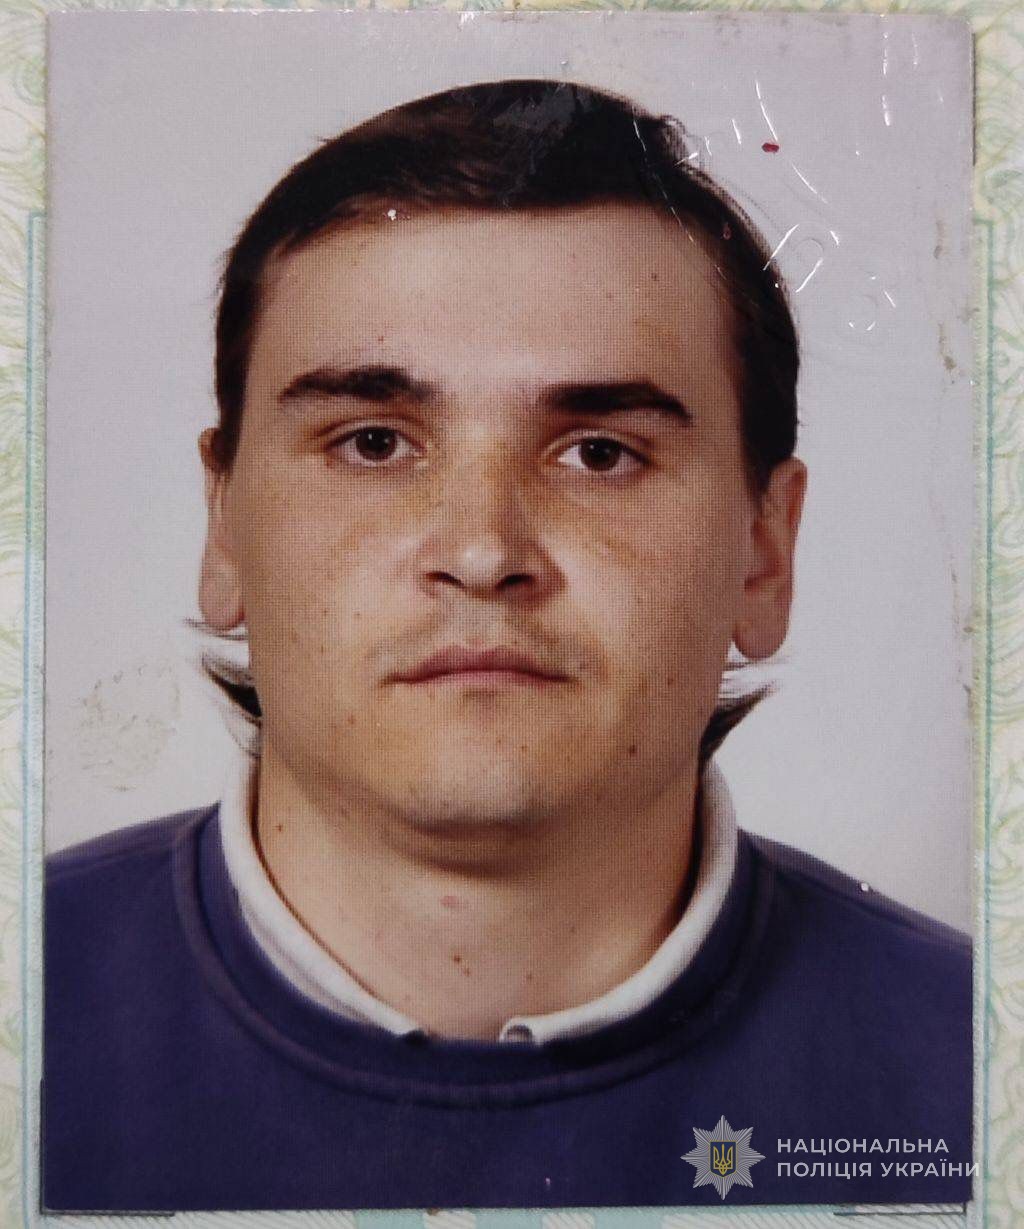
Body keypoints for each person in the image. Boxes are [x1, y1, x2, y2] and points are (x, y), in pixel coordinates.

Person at [42, 79, 972, 1212]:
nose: (483, 552)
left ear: (764, 552)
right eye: (374, 443)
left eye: (599, 454)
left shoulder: (981, 1073)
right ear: (224, 523)